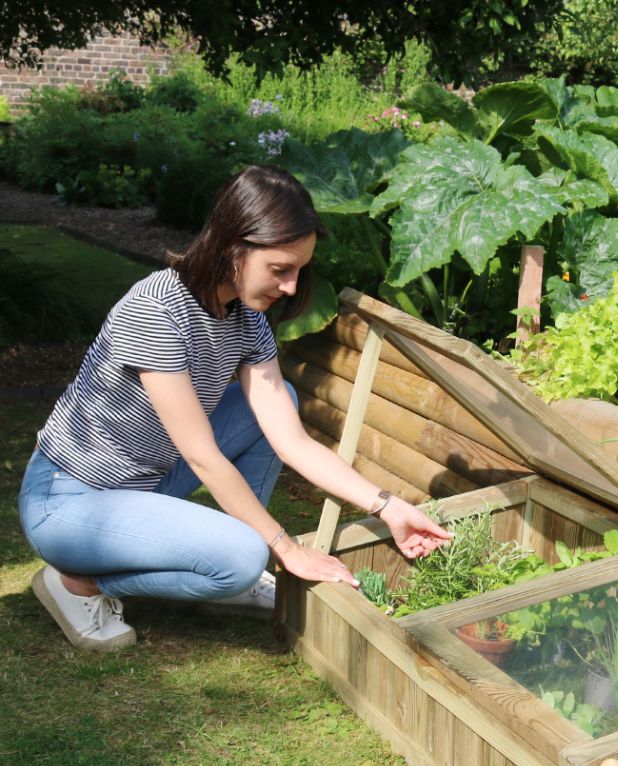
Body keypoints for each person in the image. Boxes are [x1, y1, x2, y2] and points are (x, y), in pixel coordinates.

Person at [18, 164, 451, 652]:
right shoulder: (156, 311)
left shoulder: (246, 319)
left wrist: (388, 507)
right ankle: (79, 584)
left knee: (278, 400)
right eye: (280, 269)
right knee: (244, 557)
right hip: (71, 501)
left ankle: (227, 551)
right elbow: (203, 457)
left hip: (150, 481)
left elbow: (292, 442)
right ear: (233, 249)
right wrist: (284, 548)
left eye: (299, 271)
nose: (291, 287)